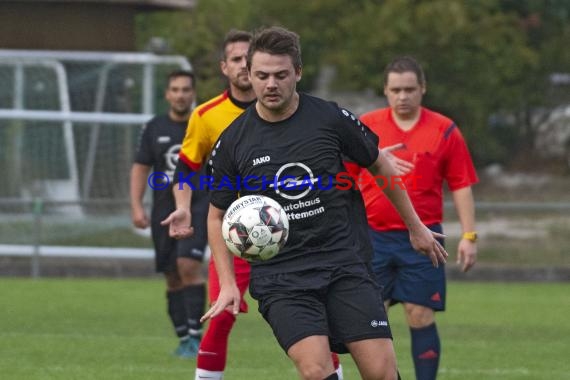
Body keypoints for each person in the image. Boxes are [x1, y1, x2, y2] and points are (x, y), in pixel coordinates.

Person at [199, 26, 448, 380]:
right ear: (248, 76)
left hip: (344, 264)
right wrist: (226, 283)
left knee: (381, 371)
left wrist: (415, 226)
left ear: (298, 73)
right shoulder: (234, 142)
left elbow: (380, 163)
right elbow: (217, 215)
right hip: (282, 277)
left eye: (281, 75)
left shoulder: (329, 118)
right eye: (262, 75)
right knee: (317, 370)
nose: (271, 84)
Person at [347, 56, 479, 380]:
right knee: (369, 322)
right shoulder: (366, 126)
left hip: (423, 238)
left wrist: (469, 236)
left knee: (420, 314)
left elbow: (461, 184)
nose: (402, 96)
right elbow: (343, 178)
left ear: (423, 89)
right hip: (372, 238)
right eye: (395, 90)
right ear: (385, 91)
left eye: (409, 89)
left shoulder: (444, 129)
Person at [130, 70, 207, 358]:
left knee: (188, 265)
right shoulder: (154, 127)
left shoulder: (202, 124)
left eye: (186, 89)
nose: (180, 95)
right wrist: (137, 206)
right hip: (163, 208)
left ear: (193, 93)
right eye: (175, 89)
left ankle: (196, 337)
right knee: (172, 274)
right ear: (167, 94)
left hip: (197, 204)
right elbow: (140, 167)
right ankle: (184, 337)